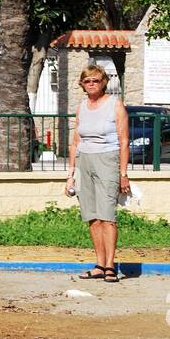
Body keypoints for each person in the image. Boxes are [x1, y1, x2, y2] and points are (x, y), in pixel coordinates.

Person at [64, 64, 130, 282]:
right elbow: (75, 142)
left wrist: (123, 173)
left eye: (96, 80)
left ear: (104, 83)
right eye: (87, 81)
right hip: (84, 161)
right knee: (91, 216)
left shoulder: (115, 104)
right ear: (82, 84)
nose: (91, 84)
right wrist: (70, 175)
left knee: (107, 216)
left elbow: (123, 141)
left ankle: (111, 266)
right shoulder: (82, 106)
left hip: (107, 159)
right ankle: (99, 264)